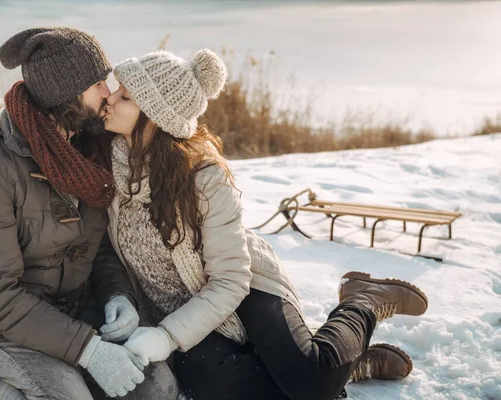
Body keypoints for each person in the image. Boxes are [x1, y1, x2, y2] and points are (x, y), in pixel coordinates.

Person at [100, 48, 429, 400]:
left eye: (125, 96)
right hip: (182, 310)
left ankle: (362, 301)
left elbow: (231, 279)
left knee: (311, 385)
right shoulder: (110, 164)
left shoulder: (203, 177)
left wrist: (166, 337)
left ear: (155, 114)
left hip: (245, 289)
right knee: (206, 381)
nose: (109, 99)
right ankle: (348, 368)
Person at [0, 27, 177, 400]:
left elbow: (100, 249)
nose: (107, 93)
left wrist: (118, 297)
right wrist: (88, 351)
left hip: (72, 313)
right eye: (97, 82)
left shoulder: (90, 152)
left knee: (156, 388)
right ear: (65, 92)